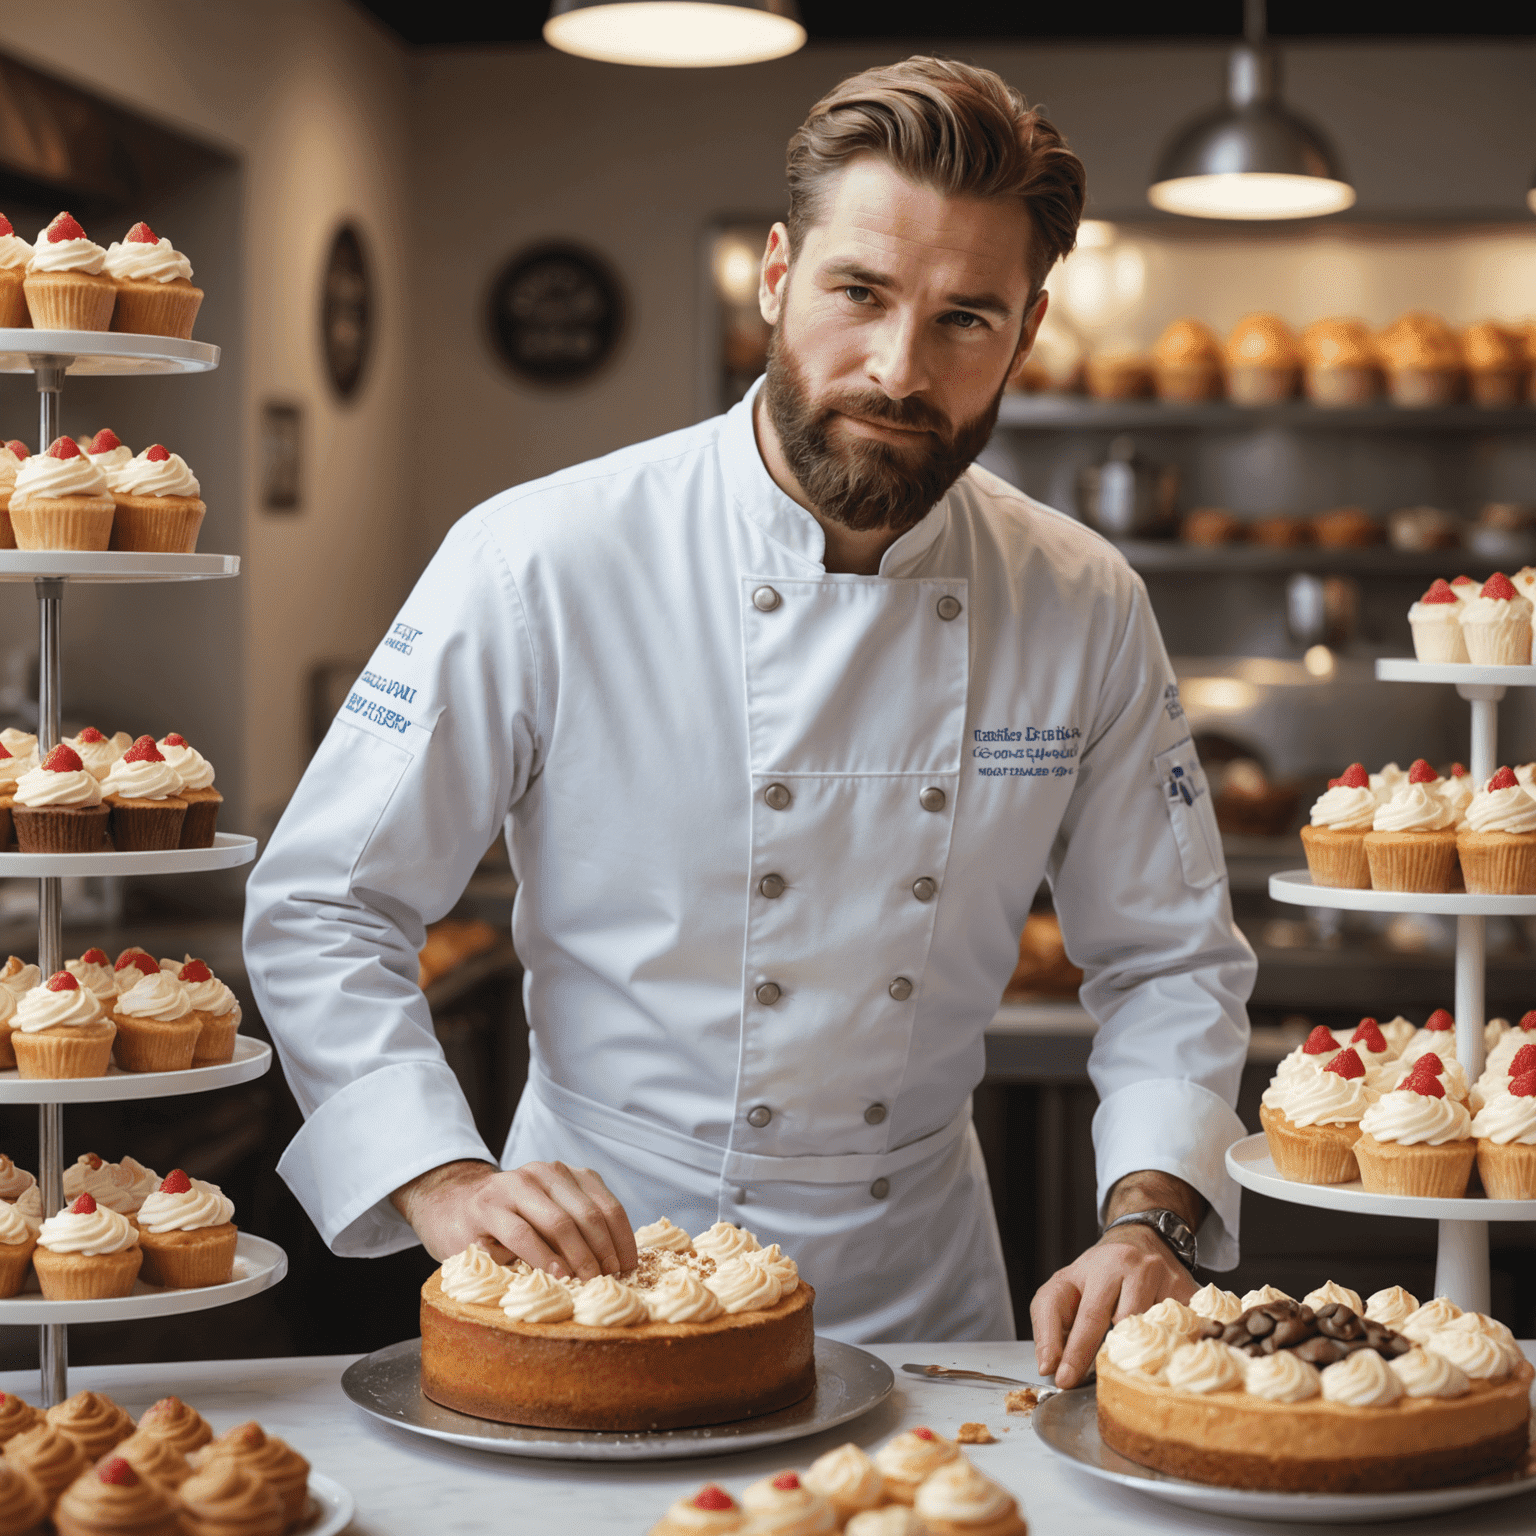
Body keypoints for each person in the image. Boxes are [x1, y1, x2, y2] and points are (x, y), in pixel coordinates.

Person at [243, 56, 1253, 1384]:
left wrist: (1149, 1222)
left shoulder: (1080, 598)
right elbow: (326, 900)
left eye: (966, 318)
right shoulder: (541, 556)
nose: (899, 368)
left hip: (924, 1290)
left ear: (1030, 329)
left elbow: (1169, 960)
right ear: (777, 275)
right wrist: (438, 1177)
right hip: (598, 1270)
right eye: (860, 294)